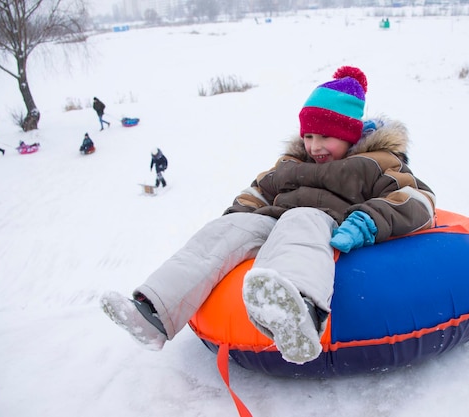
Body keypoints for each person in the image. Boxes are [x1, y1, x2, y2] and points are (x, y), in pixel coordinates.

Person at [100, 66, 436, 365]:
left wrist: (368, 219)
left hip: (327, 221)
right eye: (308, 136)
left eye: (326, 137)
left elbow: (416, 199)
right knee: (228, 228)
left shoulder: (375, 163)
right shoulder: (291, 164)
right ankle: (153, 313)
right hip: (273, 220)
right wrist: (239, 213)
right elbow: (259, 191)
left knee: (300, 221)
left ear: (349, 135)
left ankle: (300, 316)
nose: (315, 146)